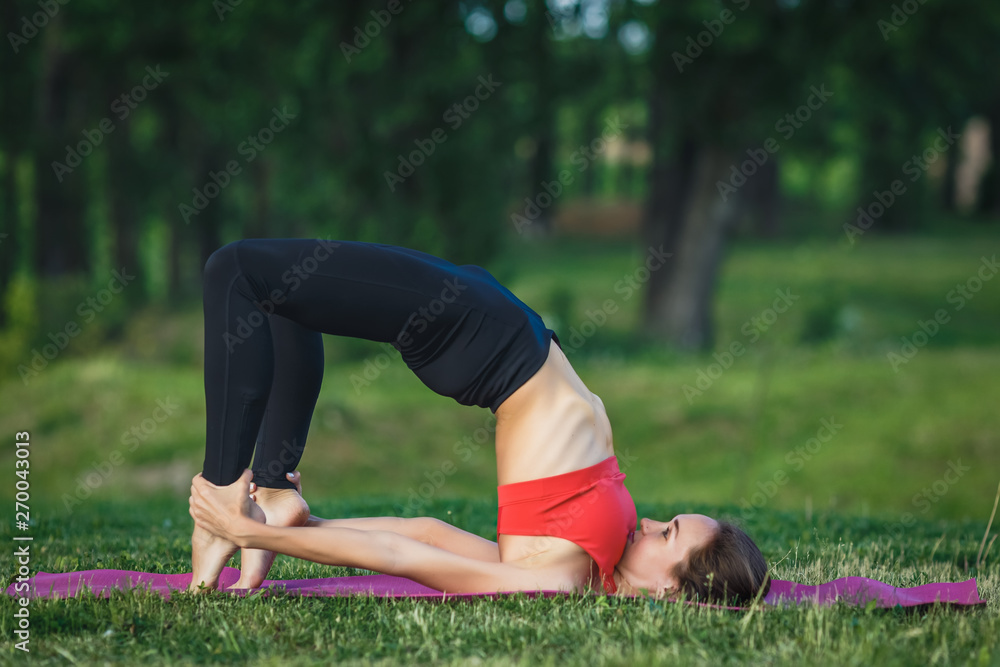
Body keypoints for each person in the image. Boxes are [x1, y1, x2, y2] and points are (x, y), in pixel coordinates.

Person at [188, 238, 770, 603]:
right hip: (499, 330)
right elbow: (425, 532)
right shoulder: (587, 570)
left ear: (673, 590)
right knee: (277, 290)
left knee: (236, 271)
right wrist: (292, 531)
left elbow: (406, 557)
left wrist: (249, 532)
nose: (646, 521)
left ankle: (224, 502)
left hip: (483, 337)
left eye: (666, 533)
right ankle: (270, 489)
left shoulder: (558, 580)